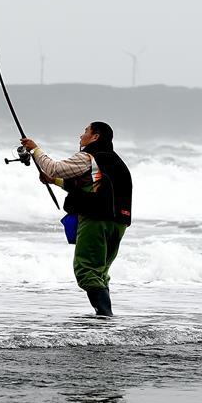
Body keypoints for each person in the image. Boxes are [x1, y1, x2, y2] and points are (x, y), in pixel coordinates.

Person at [20, 122, 132, 316]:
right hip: (119, 222)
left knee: (86, 271)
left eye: (85, 131)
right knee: (100, 273)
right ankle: (106, 320)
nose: (81, 135)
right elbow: (92, 185)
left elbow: (54, 167)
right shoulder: (114, 160)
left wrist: (35, 149)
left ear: (95, 137)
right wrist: (53, 181)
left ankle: (105, 318)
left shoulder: (89, 156)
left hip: (96, 218)